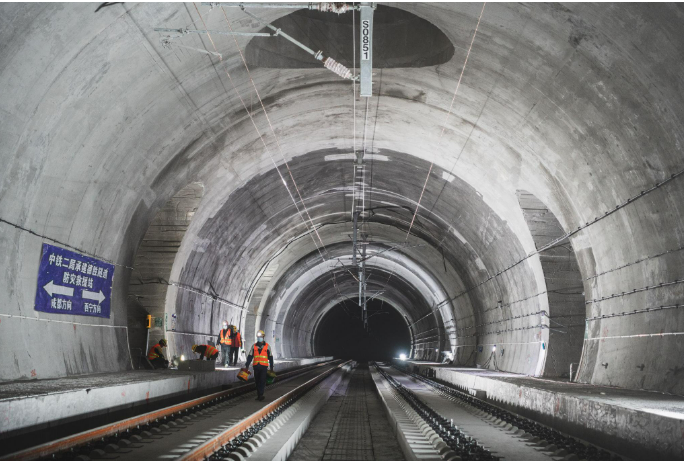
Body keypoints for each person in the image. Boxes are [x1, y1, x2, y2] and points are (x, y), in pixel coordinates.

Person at [244, 330, 274, 401]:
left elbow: (270, 357)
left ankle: (260, 394)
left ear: (263, 337)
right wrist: (247, 365)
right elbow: (250, 356)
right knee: (257, 381)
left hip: (264, 367)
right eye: (258, 337)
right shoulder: (254, 346)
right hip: (256, 367)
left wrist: (272, 367)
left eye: (260, 337)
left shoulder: (267, 346)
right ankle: (259, 394)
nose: (259, 338)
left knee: (262, 380)